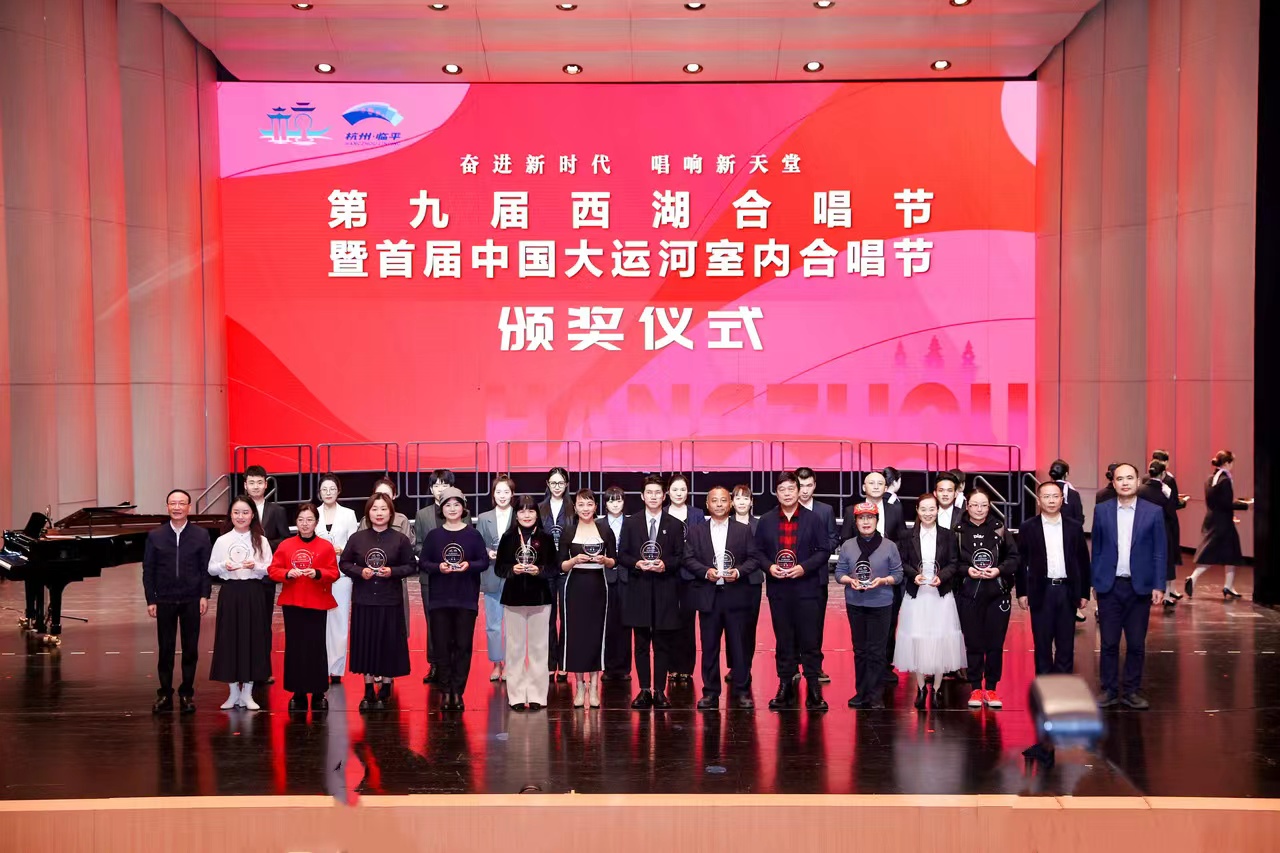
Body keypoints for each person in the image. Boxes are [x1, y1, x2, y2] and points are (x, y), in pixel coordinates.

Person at [1091, 463, 1167, 710]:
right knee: (1109, 643)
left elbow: (1159, 551)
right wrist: (1095, 580)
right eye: (1120, 478)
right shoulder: (1102, 510)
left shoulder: (1153, 512)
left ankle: (1132, 691)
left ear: (1138, 482)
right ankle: (1109, 689)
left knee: (1135, 643)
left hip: (1139, 587)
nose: (1125, 482)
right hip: (1109, 586)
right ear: (1113, 483)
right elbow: (1097, 548)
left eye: (1129, 478)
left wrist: (1159, 585)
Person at [755, 471, 832, 711]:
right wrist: (769, 567)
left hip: (807, 588)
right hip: (779, 589)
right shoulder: (766, 520)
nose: (787, 494)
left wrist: (803, 568)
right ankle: (785, 684)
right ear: (776, 493)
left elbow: (824, 550)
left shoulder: (813, 519)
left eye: (791, 489)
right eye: (782, 490)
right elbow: (757, 552)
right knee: (784, 639)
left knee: (810, 639)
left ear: (799, 491)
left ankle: (813, 687)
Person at [682, 486, 763, 710]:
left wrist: (738, 572)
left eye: (723, 500)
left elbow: (754, 558)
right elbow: (688, 558)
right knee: (709, 647)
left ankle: (742, 691)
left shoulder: (743, 530)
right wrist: (704, 572)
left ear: (730, 504)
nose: (719, 504)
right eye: (714, 500)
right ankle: (710, 693)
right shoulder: (696, 531)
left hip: (736, 596)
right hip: (709, 596)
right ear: (707, 504)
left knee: (739, 646)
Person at [341, 493, 415, 712]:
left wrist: (392, 571)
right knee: (366, 644)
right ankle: (367, 690)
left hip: (390, 600)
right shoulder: (357, 538)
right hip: (364, 600)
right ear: (368, 513)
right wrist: (359, 571)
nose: (379, 513)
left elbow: (411, 566)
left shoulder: (400, 539)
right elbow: (344, 563)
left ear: (391, 513)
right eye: (374, 509)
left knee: (388, 644)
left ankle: (385, 688)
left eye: (383, 509)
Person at [618, 475, 686, 710]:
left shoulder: (674, 524)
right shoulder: (631, 522)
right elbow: (622, 555)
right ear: (642, 496)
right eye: (649, 492)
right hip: (639, 589)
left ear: (664, 496)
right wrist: (636, 563)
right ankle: (644, 689)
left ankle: (660, 691)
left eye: (658, 492)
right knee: (641, 644)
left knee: (662, 644)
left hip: (665, 589)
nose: (654, 496)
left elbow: (680, 556)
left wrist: (665, 565)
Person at [143, 489, 212, 714]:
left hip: (192, 599)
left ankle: (186, 693)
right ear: (167, 507)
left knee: (190, 649)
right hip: (164, 600)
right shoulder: (155, 536)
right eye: (173, 503)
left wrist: (204, 595)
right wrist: (151, 599)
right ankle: (164, 693)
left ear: (189, 507)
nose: (177, 507)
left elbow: (205, 569)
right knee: (166, 649)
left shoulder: (201, 535)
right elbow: (148, 570)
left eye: (182, 503)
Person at [895, 494, 966, 710]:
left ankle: (936, 689)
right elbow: (902, 562)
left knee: (940, 639)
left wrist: (941, 577)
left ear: (937, 510)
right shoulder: (907, 536)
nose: (928, 513)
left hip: (940, 595)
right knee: (917, 639)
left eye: (932, 509)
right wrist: (913, 575)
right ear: (917, 510)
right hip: (916, 595)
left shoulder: (947, 535)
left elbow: (954, 563)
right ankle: (920, 688)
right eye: (923, 509)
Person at [421, 487, 490, 711]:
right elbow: (424, 562)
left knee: (463, 646)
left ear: (464, 508)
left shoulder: (473, 535)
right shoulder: (434, 536)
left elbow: (483, 562)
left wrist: (469, 565)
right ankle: (445, 691)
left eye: (456, 504)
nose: (452, 509)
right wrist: (438, 567)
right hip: (440, 600)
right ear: (441, 509)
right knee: (441, 647)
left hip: (465, 600)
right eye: (448, 505)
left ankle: (458, 692)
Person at [268, 503, 339, 715]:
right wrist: (286, 574)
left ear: (316, 522)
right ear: (295, 522)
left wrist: (318, 573)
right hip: (293, 603)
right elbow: (273, 570)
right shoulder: (286, 545)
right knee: (295, 648)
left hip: (317, 603)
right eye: (301, 520)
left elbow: (333, 573)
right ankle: (297, 693)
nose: (305, 524)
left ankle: (318, 693)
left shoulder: (325, 546)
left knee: (316, 648)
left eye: (309, 520)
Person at [1016, 481, 1090, 675]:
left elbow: (1083, 561)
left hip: (1067, 591)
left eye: (1055, 496)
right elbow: (1021, 562)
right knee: (1042, 643)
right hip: (1041, 590)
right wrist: (1022, 592)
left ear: (1062, 499)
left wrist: (1084, 592)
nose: (1051, 500)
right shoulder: (1028, 527)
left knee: (1066, 643)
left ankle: (1063, 685)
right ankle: (1044, 684)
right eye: (1046, 497)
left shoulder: (1074, 527)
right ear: (1039, 500)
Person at [955, 486, 1019, 710]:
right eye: (975, 505)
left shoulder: (999, 528)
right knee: (973, 643)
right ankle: (975, 686)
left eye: (984, 505)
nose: (979, 509)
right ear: (967, 506)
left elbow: (1014, 558)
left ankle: (991, 687)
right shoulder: (958, 531)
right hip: (968, 594)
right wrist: (967, 570)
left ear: (989, 506)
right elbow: (952, 562)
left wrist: (999, 570)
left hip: (997, 595)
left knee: (995, 644)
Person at [208, 496, 274, 710]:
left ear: (253, 515)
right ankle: (233, 693)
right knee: (229, 640)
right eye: (236, 512)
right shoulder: (222, 540)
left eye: (245, 512)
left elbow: (270, 568)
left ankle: (247, 693)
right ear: (230, 515)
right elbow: (211, 568)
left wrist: (256, 566)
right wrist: (223, 566)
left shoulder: (261, 540)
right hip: (230, 593)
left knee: (253, 640)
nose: (241, 516)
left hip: (253, 592)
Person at [836, 502, 903, 710]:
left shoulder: (889, 546)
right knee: (860, 650)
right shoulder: (848, 546)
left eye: (870, 517)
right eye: (861, 518)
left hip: (881, 603)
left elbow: (898, 575)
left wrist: (883, 581)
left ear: (877, 520)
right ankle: (861, 693)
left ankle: (875, 695)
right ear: (855, 522)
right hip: (855, 603)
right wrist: (850, 581)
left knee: (877, 651)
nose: (866, 522)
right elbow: (839, 573)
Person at [843, 471, 907, 685]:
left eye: (881, 483)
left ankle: (885, 666)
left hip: (888, 577)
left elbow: (902, 538)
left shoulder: (895, 508)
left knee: (888, 624)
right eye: (872, 483)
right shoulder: (851, 510)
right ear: (864, 487)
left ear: (886, 487)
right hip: (859, 581)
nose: (877, 486)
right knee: (861, 635)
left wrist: (887, 555)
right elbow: (846, 541)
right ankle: (864, 679)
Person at [494, 495, 557, 710]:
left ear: (537, 514)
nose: (526, 515)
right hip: (514, 599)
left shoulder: (546, 538)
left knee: (539, 648)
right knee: (515, 649)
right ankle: (517, 696)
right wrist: (512, 569)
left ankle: (538, 695)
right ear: (516, 514)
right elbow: (499, 568)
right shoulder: (508, 537)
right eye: (522, 511)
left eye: (531, 511)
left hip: (540, 598)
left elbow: (554, 568)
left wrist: (540, 571)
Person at [558, 488, 618, 708]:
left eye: (589, 504)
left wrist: (604, 560)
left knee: (595, 635)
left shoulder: (605, 530)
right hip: (574, 588)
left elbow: (614, 561)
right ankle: (579, 685)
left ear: (595, 507)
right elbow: (561, 565)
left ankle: (594, 686)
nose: (585, 509)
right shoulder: (568, 531)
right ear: (575, 507)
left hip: (598, 587)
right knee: (576, 637)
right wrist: (574, 560)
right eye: (581, 504)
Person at [1187, 450, 1253, 599]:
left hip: (1213, 520)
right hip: (1223, 524)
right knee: (1221, 553)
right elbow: (1227, 504)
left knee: (1229, 553)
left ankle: (1228, 586)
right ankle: (1194, 578)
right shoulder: (1225, 480)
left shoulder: (1210, 479)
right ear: (1227, 463)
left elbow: (1217, 503)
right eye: (1232, 462)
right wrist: (1246, 505)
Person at [244, 465, 291, 674]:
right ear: (245, 485)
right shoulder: (237, 508)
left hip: (265, 576)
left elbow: (284, 540)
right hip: (241, 576)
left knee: (263, 623)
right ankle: (244, 668)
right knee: (243, 624)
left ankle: (264, 670)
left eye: (259, 482)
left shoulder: (277, 511)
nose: (255, 486)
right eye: (251, 482)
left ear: (266, 485)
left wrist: (261, 544)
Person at [315, 474, 359, 683]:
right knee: (319, 621)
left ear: (338, 491)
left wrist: (343, 550)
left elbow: (354, 543)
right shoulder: (313, 513)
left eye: (332, 489)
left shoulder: (348, 514)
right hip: (317, 575)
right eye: (324, 489)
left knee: (340, 621)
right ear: (319, 492)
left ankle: (337, 669)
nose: (328, 493)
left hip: (341, 574)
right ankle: (320, 665)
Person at [796, 466, 837, 683]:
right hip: (790, 576)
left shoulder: (825, 510)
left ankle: (815, 666)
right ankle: (792, 665)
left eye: (809, 485)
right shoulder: (785, 508)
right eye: (801, 485)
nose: (804, 490)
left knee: (816, 623)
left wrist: (814, 552)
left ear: (815, 486)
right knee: (791, 623)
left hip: (817, 576)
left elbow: (833, 539)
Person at [414, 469, 455, 683]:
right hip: (431, 577)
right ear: (431, 489)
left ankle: (452, 662)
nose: (440, 489)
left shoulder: (461, 512)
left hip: (456, 577)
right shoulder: (422, 515)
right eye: (436, 485)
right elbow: (418, 545)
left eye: (444, 484)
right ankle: (435, 664)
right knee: (432, 622)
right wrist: (435, 559)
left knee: (454, 620)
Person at [664, 473, 704, 686]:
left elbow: (702, 542)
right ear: (668, 492)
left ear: (687, 492)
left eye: (682, 489)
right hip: (667, 575)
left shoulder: (697, 514)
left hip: (691, 576)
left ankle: (686, 668)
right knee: (668, 621)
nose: (679, 493)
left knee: (688, 623)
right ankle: (671, 667)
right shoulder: (662, 513)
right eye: (675, 489)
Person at [477, 476, 516, 682]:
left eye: (506, 492)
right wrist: (487, 552)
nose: (502, 496)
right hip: (491, 573)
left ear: (512, 494)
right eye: (498, 492)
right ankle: (496, 664)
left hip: (514, 576)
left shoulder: (519, 516)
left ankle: (510, 663)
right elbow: (478, 545)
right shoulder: (484, 518)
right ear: (493, 494)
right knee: (493, 624)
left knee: (512, 624)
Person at [361, 477, 414, 630]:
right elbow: (360, 548)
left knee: (396, 625)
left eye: (387, 495)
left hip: (395, 578)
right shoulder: (366, 520)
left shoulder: (402, 520)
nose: (382, 498)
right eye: (378, 494)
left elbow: (407, 550)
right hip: (370, 579)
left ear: (394, 496)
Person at [540, 467, 572, 682]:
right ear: (547, 484)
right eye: (553, 483)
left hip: (569, 568)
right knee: (547, 619)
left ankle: (565, 662)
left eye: (561, 483)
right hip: (546, 570)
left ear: (566, 484)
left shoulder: (574, 508)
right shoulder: (539, 508)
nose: (557, 487)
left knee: (568, 617)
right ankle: (551, 662)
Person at [601, 484, 633, 682]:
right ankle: (607, 667)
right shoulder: (598, 524)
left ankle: (623, 668)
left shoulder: (631, 523)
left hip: (627, 576)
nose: (615, 504)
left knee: (625, 623)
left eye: (618, 500)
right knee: (606, 623)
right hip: (604, 577)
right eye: (611, 501)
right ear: (605, 504)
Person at [730, 484, 761, 684]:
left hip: (752, 581)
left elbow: (762, 552)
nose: (742, 502)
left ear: (751, 502)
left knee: (749, 626)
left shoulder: (759, 524)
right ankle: (734, 667)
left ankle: (746, 667)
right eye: (738, 498)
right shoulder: (725, 522)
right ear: (732, 502)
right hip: (729, 581)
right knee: (731, 627)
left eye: (745, 498)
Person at [1139, 461, 1181, 609]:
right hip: (1162, 529)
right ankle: (1167, 596)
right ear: (1163, 474)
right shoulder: (1165, 490)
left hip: (1143, 530)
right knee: (1165, 561)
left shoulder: (1140, 490)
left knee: (1144, 560)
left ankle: (1144, 592)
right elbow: (1171, 512)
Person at [1150, 450, 1189, 600]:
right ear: (1166, 462)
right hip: (1167, 522)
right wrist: (1183, 502)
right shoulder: (1169, 480)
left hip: (1152, 523)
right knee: (1169, 556)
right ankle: (1168, 592)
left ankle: (1169, 590)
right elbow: (1173, 503)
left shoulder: (1146, 478)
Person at [1047, 459, 1085, 526]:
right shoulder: (1073, 494)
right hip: (1069, 531)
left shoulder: (1045, 492)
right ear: (1066, 474)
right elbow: (1079, 519)